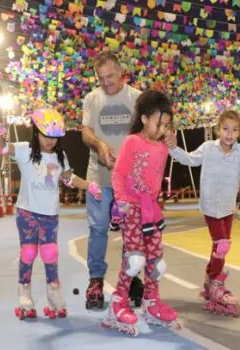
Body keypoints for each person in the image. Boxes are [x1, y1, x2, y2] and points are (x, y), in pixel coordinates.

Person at [0, 108, 102, 320]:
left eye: (54, 137)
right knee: (28, 252)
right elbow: (2, 148)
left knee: (50, 254)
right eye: (46, 135)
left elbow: (68, 178)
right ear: (36, 132)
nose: (50, 141)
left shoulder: (60, 155)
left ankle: (53, 294)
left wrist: (88, 185)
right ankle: (24, 294)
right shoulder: (24, 150)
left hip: (50, 214)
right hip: (27, 211)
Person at [168, 110, 240, 317]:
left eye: (234, 130)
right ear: (218, 129)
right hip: (210, 205)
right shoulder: (208, 148)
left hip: (228, 207)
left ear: (239, 133)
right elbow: (190, 159)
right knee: (222, 244)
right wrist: (173, 148)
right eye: (225, 129)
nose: (229, 134)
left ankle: (211, 281)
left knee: (221, 246)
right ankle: (215, 281)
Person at [101, 90, 179, 336]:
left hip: (151, 209)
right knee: (135, 260)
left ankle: (151, 303)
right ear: (145, 119)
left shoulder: (164, 145)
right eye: (160, 123)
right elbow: (118, 173)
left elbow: (176, 153)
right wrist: (122, 201)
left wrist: (173, 143)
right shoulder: (132, 142)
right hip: (131, 207)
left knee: (158, 262)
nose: (163, 129)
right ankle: (118, 303)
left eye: (167, 125)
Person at [81, 51, 144, 309]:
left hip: (130, 181)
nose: (106, 83)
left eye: (110, 77)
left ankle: (132, 278)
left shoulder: (137, 98)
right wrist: (99, 146)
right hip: (99, 177)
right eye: (100, 78)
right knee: (97, 229)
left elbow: (147, 133)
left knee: (132, 233)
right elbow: (86, 132)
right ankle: (96, 280)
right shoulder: (91, 99)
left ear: (121, 72)